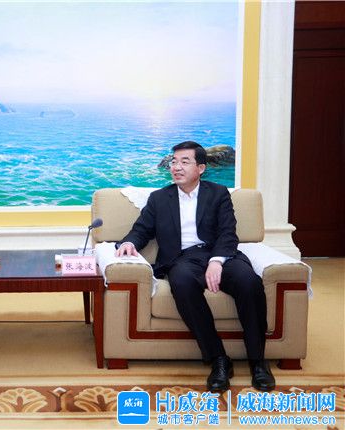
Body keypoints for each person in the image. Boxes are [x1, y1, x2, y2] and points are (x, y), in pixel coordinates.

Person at [115, 141, 275, 392]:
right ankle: (219, 359)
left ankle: (258, 362)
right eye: (174, 162)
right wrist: (128, 243)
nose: (176, 167)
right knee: (181, 283)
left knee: (249, 282)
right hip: (183, 259)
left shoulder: (218, 193)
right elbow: (141, 230)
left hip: (220, 254)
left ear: (201, 168)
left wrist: (216, 261)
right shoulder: (159, 198)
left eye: (184, 162)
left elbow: (228, 232)